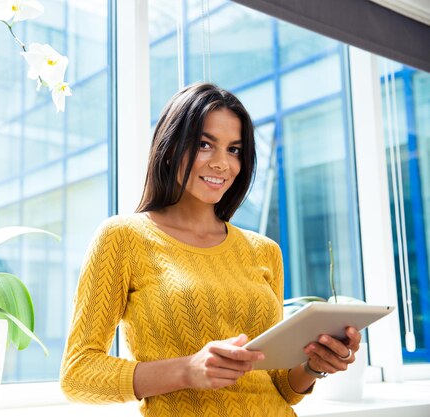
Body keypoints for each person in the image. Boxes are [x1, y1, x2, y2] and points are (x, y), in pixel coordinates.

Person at [60, 83, 362, 416]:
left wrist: (315, 365)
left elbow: (278, 385)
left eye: (234, 150)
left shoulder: (264, 251)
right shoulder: (123, 237)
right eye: (205, 144)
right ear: (171, 147)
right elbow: (78, 374)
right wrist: (188, 369)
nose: (222, 164)